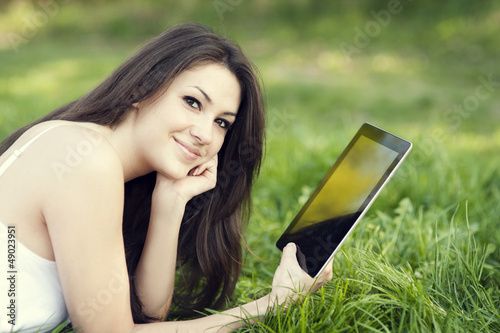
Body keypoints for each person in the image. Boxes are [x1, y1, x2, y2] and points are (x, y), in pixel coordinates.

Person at [0, 23, 332, 333]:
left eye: (222, 123)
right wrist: (274, 303)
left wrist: (169, 203)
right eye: (192, 102)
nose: (205, 134)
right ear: (140, 88)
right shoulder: (86, 160)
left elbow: (147, 313)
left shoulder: (81, 145)